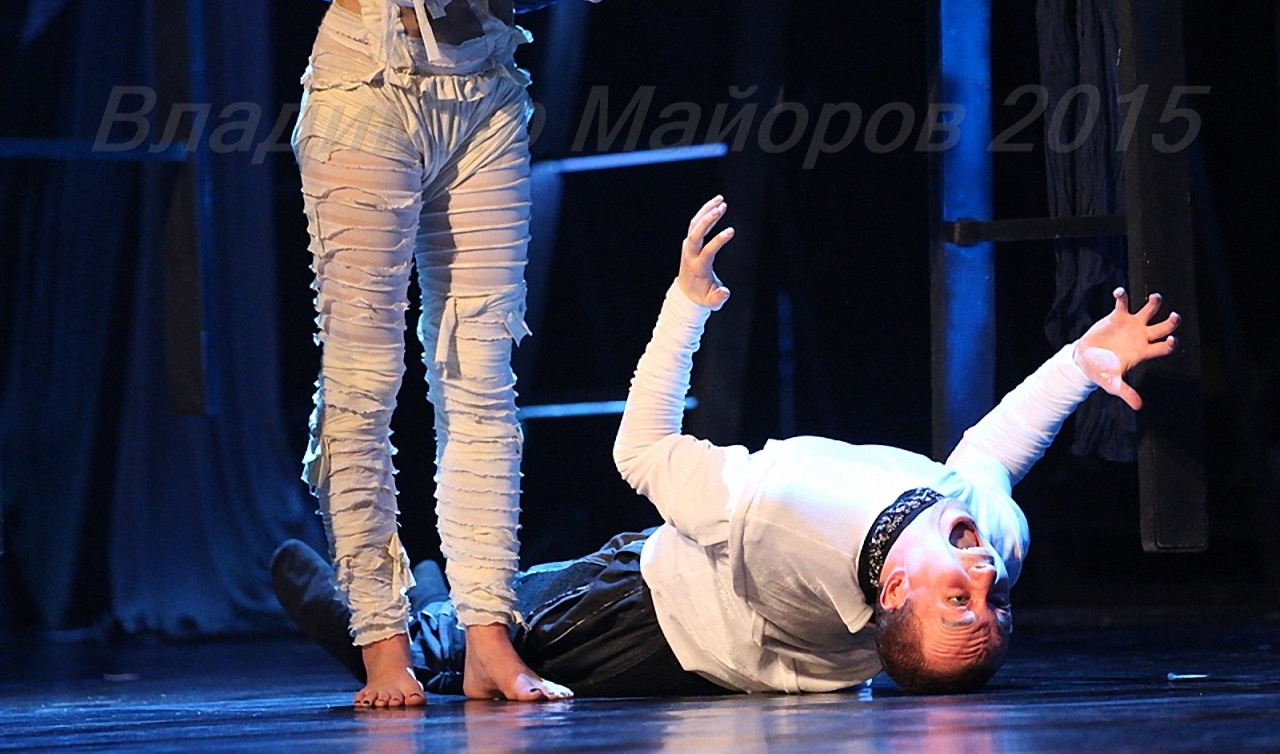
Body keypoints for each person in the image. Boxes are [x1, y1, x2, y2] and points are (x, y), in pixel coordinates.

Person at [274, 195, 1180, 697]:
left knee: (454, 655)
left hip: (644, 619)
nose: (984, 576)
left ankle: (358, 610)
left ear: (896, 589)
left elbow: (638, 451)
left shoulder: (783, 511)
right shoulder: (991, 540)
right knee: (488, 600)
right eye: (993, 603)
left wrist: (686, 307)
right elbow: (987, 458)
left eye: (960, 598)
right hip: (703, 577)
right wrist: (1080, 361)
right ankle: (434, 587)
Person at [295, 0, 687, 708]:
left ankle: (486, 638)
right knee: (364, 381)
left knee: (479, 378)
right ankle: (381, 641)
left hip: (482, 109)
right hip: (368, 93)